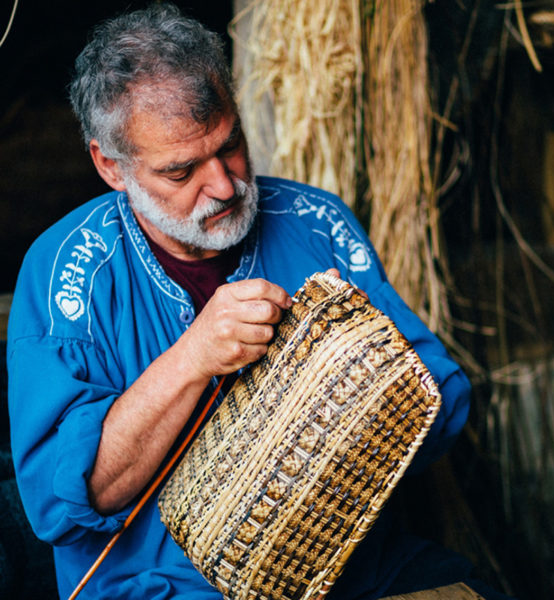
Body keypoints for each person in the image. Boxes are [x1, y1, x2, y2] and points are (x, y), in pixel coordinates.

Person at [7, 3, 478, 599]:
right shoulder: (64, 274)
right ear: (112, 167)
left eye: (229, 145)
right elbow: (62, 503)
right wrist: (192, 356)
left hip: (348, 571)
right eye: (181, 173)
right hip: (163, 587)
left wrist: (354, 394)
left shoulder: (317, 222)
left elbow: (440, 394)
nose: (225, 186)